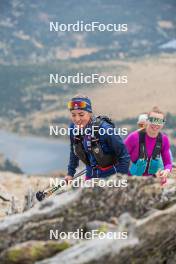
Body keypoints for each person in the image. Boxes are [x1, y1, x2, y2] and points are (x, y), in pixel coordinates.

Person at [65, 95, 130, 182]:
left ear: (89, 113)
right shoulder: (73, 128)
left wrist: (121, 179)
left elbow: (124, 155)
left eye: (81, 114)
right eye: (73, 115)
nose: (77, 119)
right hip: (90, 176)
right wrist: (70, 173)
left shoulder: (105, 129)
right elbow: (74, 151)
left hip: (111, 176)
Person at [124, 106, 172, 184]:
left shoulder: (164, 139)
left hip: (153, 181)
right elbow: (120, 157)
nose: (156, 125)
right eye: (153, 120)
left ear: (163, 124)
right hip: (132, 181)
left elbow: (168, 163)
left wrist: (166, 171)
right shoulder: (133, 137)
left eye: (160, 121)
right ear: (147, 121)